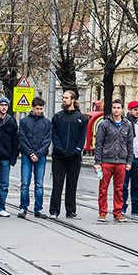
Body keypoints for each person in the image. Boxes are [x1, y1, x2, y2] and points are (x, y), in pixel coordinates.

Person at [49, 90, 88, 219]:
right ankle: (54, 210)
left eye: (66, 98)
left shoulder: (81, 118)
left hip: (74, 157)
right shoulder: (57, 117)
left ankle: (70, 210)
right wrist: (61, 150)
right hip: (59, 157)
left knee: (72, 184)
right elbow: (54, 136)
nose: (64, 100)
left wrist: (76, 151)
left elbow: (82, 138)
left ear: (73, 100)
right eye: (63, 97)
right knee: (57, 184)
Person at [94, 99, 134, 222]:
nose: (116, 110)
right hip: (106, 161)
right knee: (103, 188)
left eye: (118, 108)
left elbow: (130, 144)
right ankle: (102, 212)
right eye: (114, 108)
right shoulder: (104, 124)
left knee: (119, 188)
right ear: (112, 109)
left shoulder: (127, 125)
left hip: (121, 161)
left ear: (122, 109)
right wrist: (97, 162)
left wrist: (129, 162)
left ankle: (117, 212)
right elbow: (99, 144)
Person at [17, 97, 52, 219]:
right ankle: (23, 207)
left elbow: (47, 140)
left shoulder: (47, 122)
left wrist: (38, 154)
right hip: (28, 155)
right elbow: (22, 138)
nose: (39, 111)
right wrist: (31, 153)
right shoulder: (24, 121)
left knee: (39, 184)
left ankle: (38, 209)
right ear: (32, 107)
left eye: (41, 109)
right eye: (37, 108)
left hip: (40, 156)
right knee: (25, 183)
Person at [122, 100, 138, 216]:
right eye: (135, 110)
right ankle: (122, 206)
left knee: (136, 185)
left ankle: (136, 207)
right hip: (126, 158)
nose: (137, 112)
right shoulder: (125, 123)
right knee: (124, 185)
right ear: (129, 110)